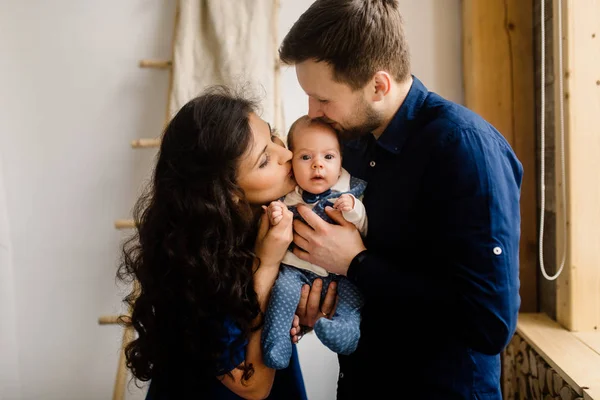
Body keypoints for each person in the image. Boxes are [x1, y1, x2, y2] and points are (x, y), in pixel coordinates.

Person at [281, 0, 523, 399]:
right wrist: (318, 299)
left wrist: (357, 263)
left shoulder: (465, 149)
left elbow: (489, 322)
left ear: (378, 85)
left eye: (323, 99)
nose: (313, 113)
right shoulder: (349, 144)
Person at [116, 85, 336, 400]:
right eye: (264, 161)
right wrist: (268, 264)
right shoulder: (193, 267)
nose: (287, 154)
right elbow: (250, 384)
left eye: (273, 136)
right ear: (229, 193)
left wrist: (305, 315)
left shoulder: (269, 223)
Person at [261, 116, 367, 370]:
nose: (318, 165)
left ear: (341, 159)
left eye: (328, 157)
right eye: (306, 158)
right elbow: (278, 215)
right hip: (297, 272)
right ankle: (277, 341)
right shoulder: (287, 195)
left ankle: (347, 330)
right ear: (292, 162)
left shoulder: (349, 192)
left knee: (353, 295)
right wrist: (277, 214)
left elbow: (364, 225)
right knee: (283, 291)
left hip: (341, 274)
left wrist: (353, 210)